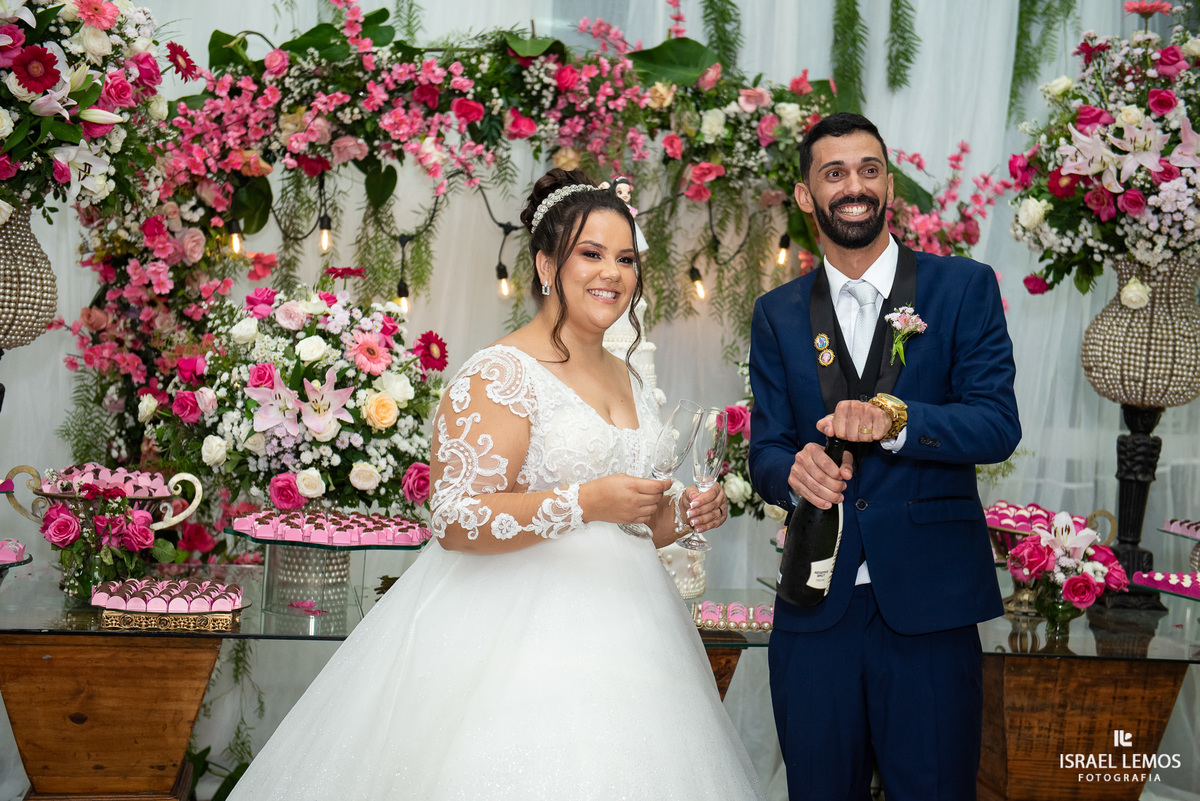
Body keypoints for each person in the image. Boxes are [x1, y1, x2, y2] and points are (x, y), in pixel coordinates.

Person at [228, 168, 764, 800]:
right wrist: (586, 502)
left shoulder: (631, 377)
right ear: (546, 264)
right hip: (517, 638)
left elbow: (637, 523)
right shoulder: (501, 374)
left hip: (636, 634)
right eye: (591, 254)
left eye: (625, 259)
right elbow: (455, 519)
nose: (613, 274)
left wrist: (682, 512)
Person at [748, 113, 1020, 801]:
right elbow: (767, 448)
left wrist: (899, 420)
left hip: (932, 608)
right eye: (834, 173)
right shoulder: (777, 313)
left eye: (869, 170)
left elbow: (997, 424)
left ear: (889, 185)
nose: (855, 186)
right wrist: (793, 473)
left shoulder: (963, 287)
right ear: (805, 195)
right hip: (816, 610)